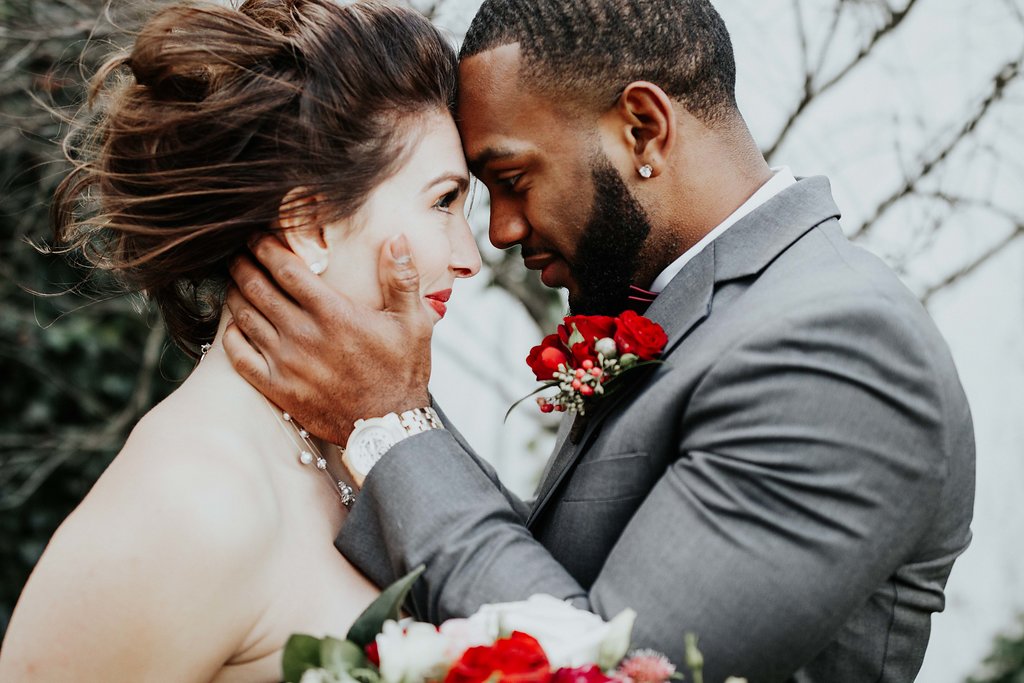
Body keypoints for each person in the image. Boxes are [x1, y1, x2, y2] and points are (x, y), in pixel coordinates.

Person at [223, 0, 977, 681]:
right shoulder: (715, 310)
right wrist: (384, 401)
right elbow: (551, 578)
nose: (499, 230)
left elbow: (613, 667)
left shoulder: (838, 346)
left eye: (513, 178)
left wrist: (384, 419)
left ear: (642, 128)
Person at [0, 1, 480, 681]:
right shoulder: (191, 502)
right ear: (311, 227)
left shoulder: (352, 438)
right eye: (442, 202)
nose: (469, 256)